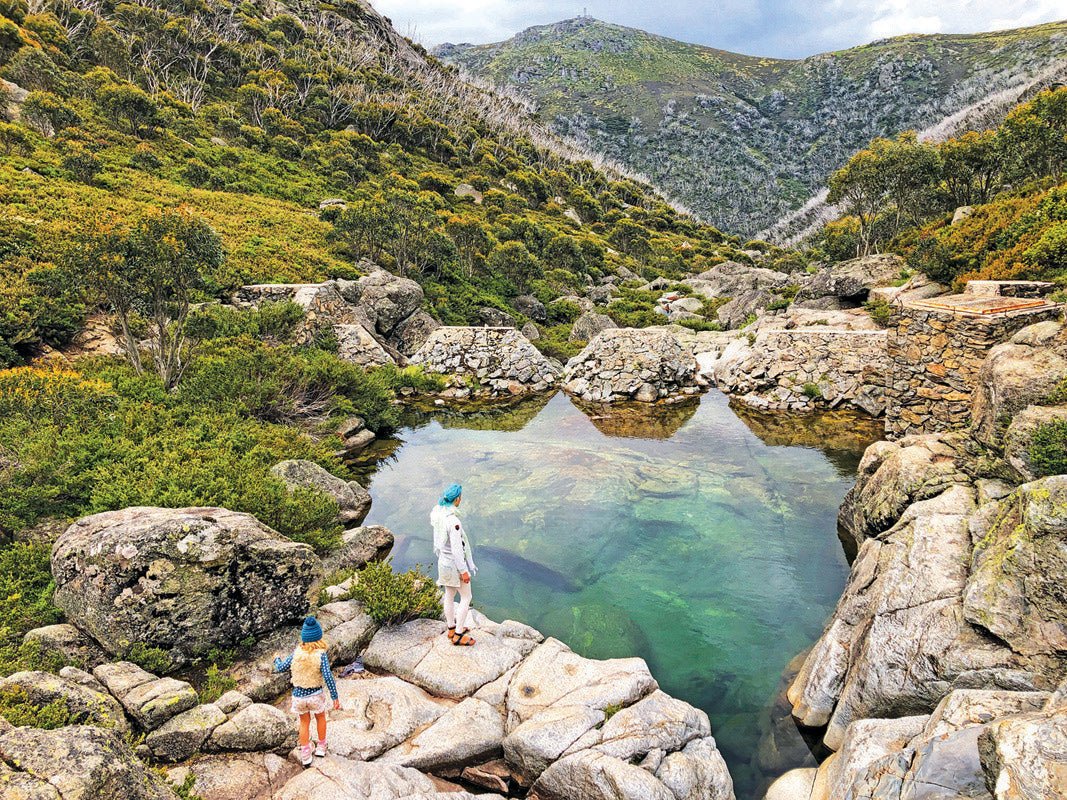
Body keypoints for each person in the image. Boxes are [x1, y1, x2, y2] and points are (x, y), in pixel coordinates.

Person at [273, 616, 342, 767]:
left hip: (299, 697)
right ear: (319, 636)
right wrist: (335, 697)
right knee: (320, 718)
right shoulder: (321, 655)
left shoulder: (296, 653)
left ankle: (305, 754)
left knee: (304, 722)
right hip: (315, 695)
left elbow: (281, 668)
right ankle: (321, 747)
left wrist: (276, 659)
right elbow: (328, 676)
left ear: (304, 637)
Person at [431, 482, 478, 646]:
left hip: (443, 563)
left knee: (449, 596)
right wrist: (464, 571)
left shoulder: (438, 514)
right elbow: (458, 551)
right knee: (466, 597)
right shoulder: (454, 522)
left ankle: (451, 628)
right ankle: (458, 634)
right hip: (454, 566)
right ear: (457, 499)